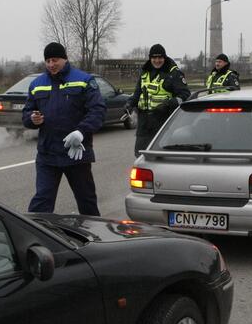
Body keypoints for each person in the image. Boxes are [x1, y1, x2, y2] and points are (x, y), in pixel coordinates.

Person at [22, 42, 106, 215]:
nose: (51, 64)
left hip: (76, 153)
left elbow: (98, 110)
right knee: (42, 201)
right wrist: (32, 119)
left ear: (65, 59)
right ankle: (36, 236)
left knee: (86, 201)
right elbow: (26, 114)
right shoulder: (37, 84)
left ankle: (94, 236)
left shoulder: (84, 80)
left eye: (55, 60)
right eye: (48, 61)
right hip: (48, 155)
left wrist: (81, 132)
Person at [125, 44, 190, 156]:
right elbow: (137, 93)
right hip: (144, 122)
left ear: (164, 58)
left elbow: (185, 95)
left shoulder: (173, 73)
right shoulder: (145, 72)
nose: (157, 61)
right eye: (154, 58)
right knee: (140, 155)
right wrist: (130, 103)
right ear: (150, 58)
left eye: (160, 58)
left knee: (160, 155)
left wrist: (169, 104)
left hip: (163, 121)